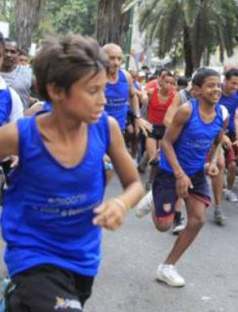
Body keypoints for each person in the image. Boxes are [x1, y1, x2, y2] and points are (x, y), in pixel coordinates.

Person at [0, 34, 144, 310]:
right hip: (32, 255)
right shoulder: (22, 135)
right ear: (56, 90)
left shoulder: (107, 127)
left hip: (83, 259)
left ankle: (13, 301)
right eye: (92, 91)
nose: (103, 100)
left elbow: (135, 184)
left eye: (104, 89)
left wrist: (120, 203)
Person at [134, 68, 228, 287]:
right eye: (210, 85)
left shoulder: (222, 114)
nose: (216, 89)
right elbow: (166, 143)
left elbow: (217, 141)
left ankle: (167, 267)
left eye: (218, 85)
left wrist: (212, 162)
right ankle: (154, 199)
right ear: (196, 90)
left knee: (198, 219)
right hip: (170, 171)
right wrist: (178, 174)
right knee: (163, 226)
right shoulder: (186, 111)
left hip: (195, 171)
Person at [211, 68, 238, 224]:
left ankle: (220, 202)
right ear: (225, 80)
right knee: (218, 165)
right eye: (233, 83)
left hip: (227, 133)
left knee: (228, 165)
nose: (236, 86)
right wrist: (219, 135)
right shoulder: (215, 90)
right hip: (211, 131)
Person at [0, 39, 32, 109]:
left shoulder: (27, 73)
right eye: (6, 51)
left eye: (12, 52)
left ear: (18, 54)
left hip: (20, 118)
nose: (8, 55)